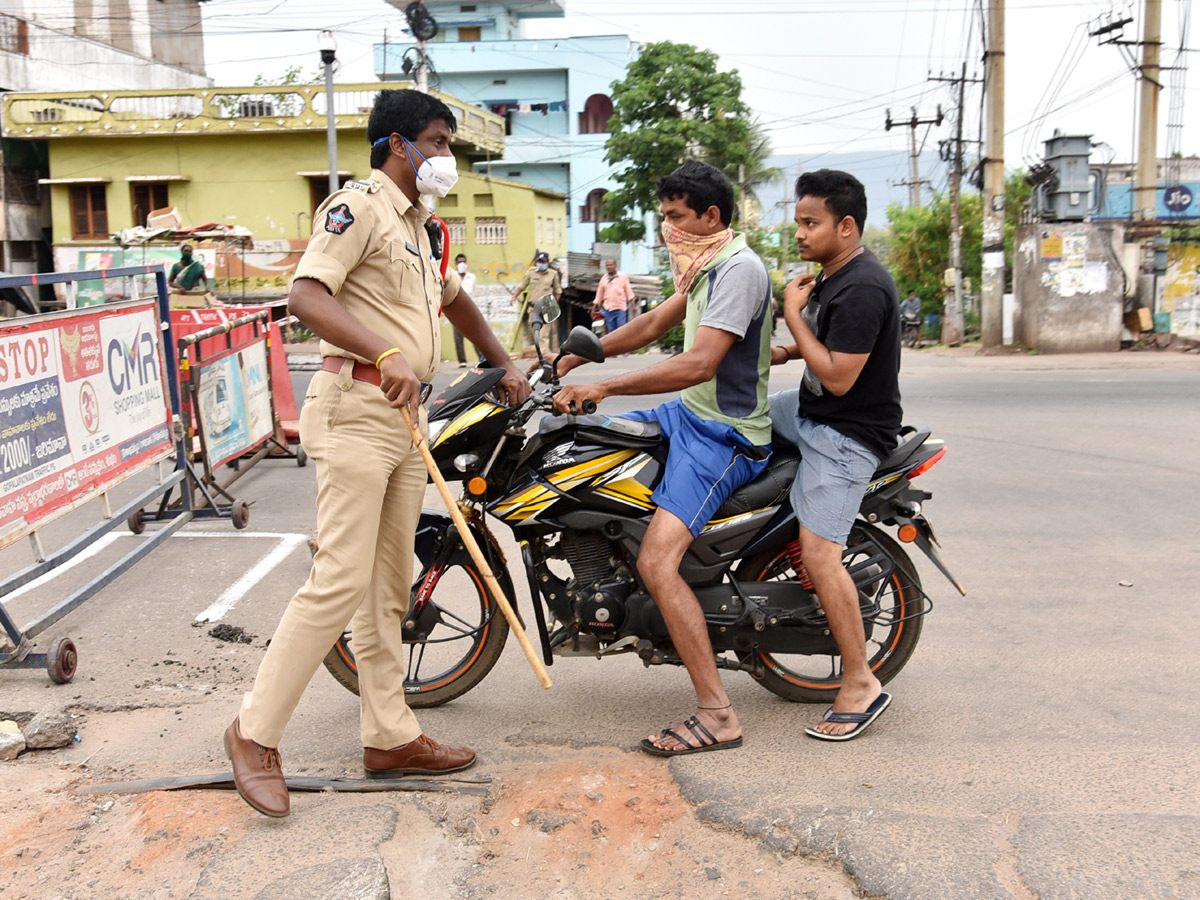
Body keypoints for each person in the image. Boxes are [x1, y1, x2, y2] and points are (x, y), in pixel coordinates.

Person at [222, 89, 531, 818]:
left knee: (389, 585)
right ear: (399, 145)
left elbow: (455, 301)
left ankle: (389, 735)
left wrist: (504, 362)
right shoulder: (356, 208)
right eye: (438, 141)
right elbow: (305, 294)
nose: (447, 158)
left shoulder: (423, 229)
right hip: (356, 407)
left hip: (402, 417)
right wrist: (382, 348)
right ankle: (252, 733)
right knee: (337, 581)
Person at [554, 160, 773, 756]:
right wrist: (584, 356)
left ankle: (718, 714)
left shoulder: (739, 270)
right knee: (584, 451)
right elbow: (651, 323)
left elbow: (699, 363)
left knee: (657, 562)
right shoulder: (704, 267)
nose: (669, 228)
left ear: (710, 216)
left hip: (724, 434)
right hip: (688, 415)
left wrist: (608, 385)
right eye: (665, 217)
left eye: (677, 217)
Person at [767, 169, 903, 742]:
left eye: (810, 223)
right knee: (724, 419)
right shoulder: (831, 276)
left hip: (845, 434)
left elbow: (841, 377)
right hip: (810, 413)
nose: (799, 232)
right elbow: (823, 344)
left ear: (845, 226)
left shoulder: (862, 286)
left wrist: (792, 313)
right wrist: (772, 351)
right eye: (797, 222)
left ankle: (859, 682)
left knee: (821, 553)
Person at [508, 250, 562, 357]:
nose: (541, 263)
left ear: (547, 262)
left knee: (543, 335)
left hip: (547, 307)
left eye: (543, 261)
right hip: (533, 308)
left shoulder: (553, 274)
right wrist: (514, 297)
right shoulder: (530, 273)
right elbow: (521, 286)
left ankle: (544, 356)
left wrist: (554, 305)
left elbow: (558, 291)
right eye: (539, 261)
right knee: (536, 333)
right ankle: (542, 354)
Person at [452, 253, 484, 367]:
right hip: (456, 310)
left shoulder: (472, 277)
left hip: (470, 309)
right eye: (460, 262)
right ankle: (462, 361)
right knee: (458, 337)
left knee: (475, 335)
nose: (462, 264)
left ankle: (481, 358)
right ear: (455, 264)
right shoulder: (452, 276)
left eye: (464, 262)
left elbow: (474, 292)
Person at [592, 257, 635, 334]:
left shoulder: (623, 277)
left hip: (620, 309)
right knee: (611, 332)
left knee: (621, 331)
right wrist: (593, 308)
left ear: (615, 265)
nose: (609, 267)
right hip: (608, 309)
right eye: (607, 265)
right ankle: (614, 346)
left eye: (611, 265)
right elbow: (599, 294)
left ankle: (621, 346)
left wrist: (633, 305)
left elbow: (629, 292)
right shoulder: (604, 279)